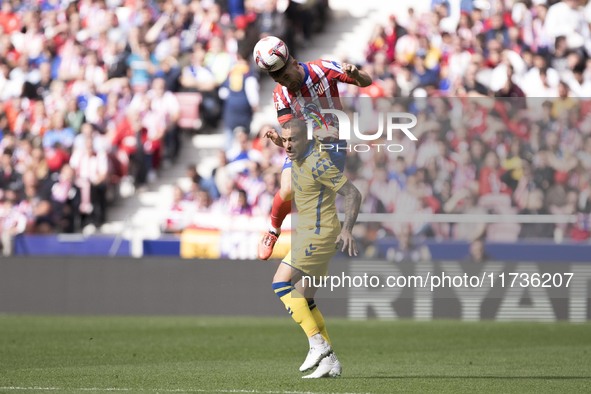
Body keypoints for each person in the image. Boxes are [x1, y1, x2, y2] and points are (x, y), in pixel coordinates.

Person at [254, 36, 372, 260]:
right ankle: (273, 231)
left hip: (332, 147)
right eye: (280, 79)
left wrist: (356, 74)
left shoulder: (324, 69)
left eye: (287, 75)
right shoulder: (280, 94)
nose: (287, 83)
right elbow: (292, 131)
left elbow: (367, 82)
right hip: (304, 144)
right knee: (288, 188)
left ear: (294, 62)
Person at [271, 119, 361, 378]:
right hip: (312, 233)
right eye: (285, 140)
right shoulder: (299, 153)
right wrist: (281, 142)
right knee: (306, 297)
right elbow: (291, 145)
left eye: (292, 140)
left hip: (318, 235)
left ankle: (318, 344)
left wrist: (348, 229)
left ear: (306, 140)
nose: (287, 145)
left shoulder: (318, 162)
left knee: (280, 283)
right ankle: (330, 362)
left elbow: (354, 193)